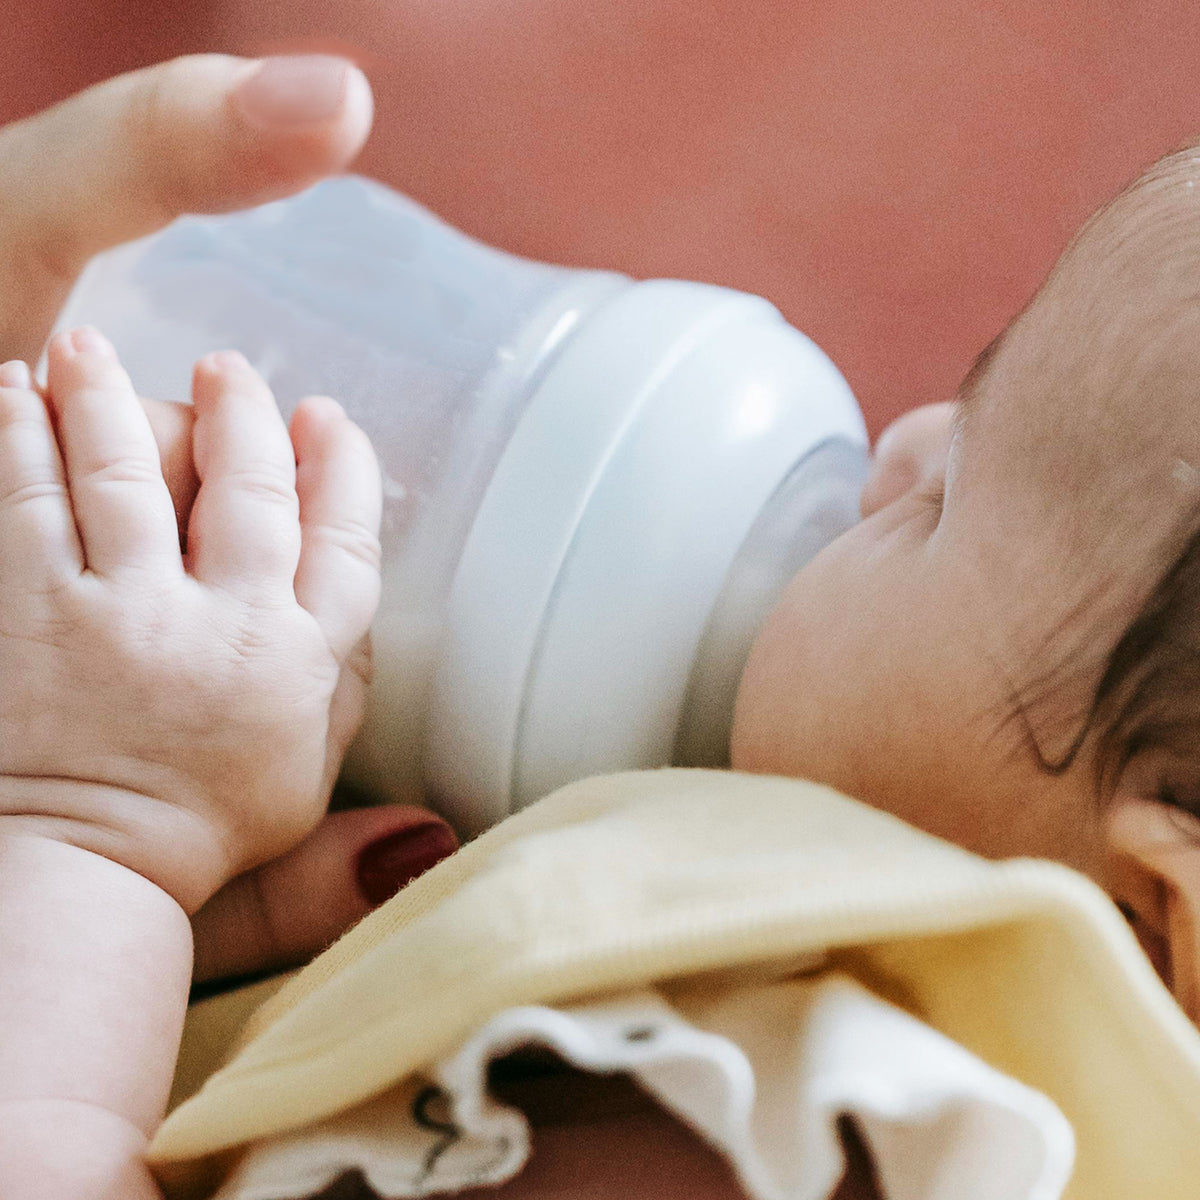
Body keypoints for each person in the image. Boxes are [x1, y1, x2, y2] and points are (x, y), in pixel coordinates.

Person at [3, 49, 1200, 1200]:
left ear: (1160, 925)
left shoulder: (820, 1130)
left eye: (945, 502)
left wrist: (98, 838)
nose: (903, 445)